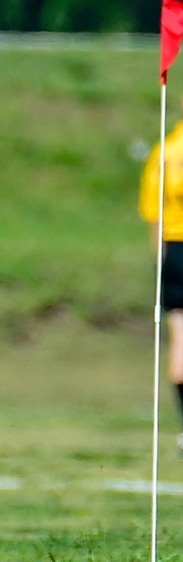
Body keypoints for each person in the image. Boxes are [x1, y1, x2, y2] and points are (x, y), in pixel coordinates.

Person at [140, 117, 183, 455]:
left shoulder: (165, 152)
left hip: (174, 251)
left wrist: (162, 264)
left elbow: (153, 214)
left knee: (180, 341)